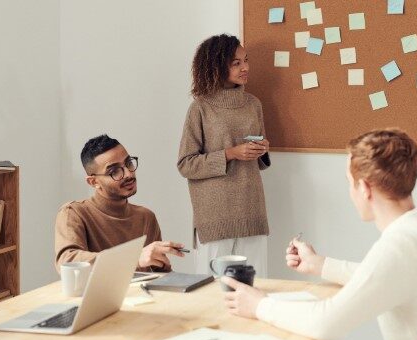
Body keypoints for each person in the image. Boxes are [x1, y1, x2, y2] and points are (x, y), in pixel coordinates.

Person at [222, 129, 417, 340]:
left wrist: (259, 305)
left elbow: (325, 322)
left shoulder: (400, 246)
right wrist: (320, 265)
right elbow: (387, 276)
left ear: (364, 188)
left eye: (349, 183)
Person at [177, 34, 271, 276]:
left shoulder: (253, 104)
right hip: (215, 217)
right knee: (212, 292)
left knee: (255, 286)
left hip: (251, 209)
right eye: (236, 63)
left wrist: (261, 150)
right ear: (216, 65)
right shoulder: (200, 107)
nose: (245, 67)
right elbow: (186, 164)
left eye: (246, 60)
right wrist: (230, 153)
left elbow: (258, 162)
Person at [55, 134, 185, 272]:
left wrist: (162, 264)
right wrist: (133, 258)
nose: (129, 174)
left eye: (128, 163)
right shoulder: (73, 213)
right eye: (114, 171)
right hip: (99, 294)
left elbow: (160, 278)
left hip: (142, 293)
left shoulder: (146, 217)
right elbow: (67, 261)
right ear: (94, 182)